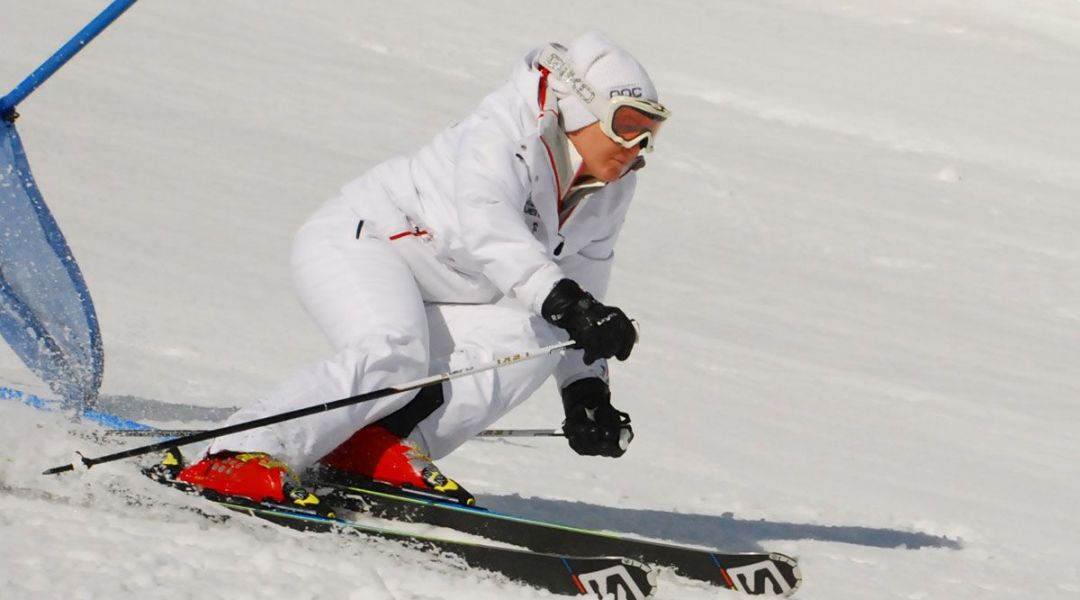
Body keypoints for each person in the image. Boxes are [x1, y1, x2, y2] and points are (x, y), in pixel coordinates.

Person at [171, 30, 671, 509]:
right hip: (365, 242)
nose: (637, 148)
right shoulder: (503, 129)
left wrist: (586, 390)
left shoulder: (612, 188)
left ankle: (374, 447)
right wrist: (570, 304)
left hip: (442, 291)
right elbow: (487, 224)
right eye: (627, 125)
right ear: (580, 104)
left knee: (539, 336)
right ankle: (234, 454)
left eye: (650, 134)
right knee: (396, 350)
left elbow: (582, 288)